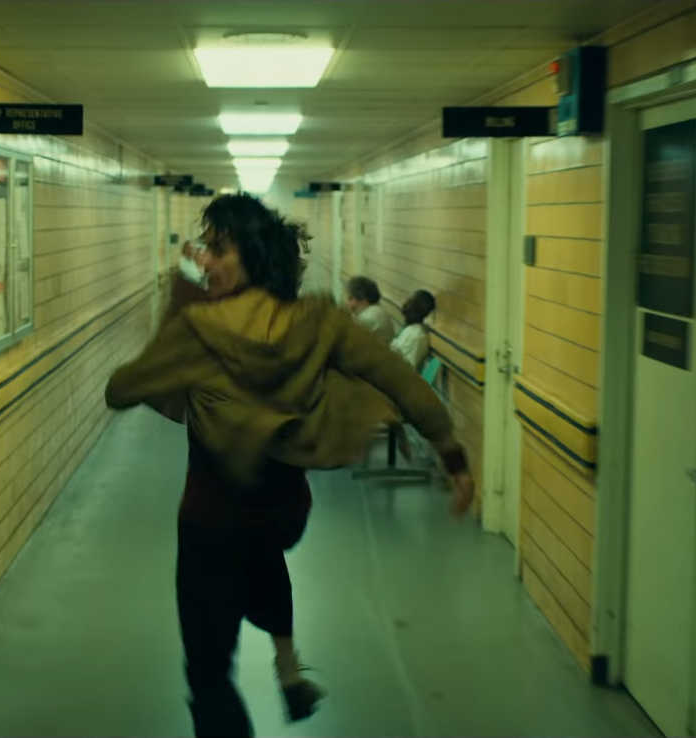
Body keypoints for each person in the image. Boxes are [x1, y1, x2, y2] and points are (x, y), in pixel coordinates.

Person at [104, 194, 476, 738]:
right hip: (280, 511)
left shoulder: (199, 327)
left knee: (207, 672)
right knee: (262, 562)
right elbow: (399, 380)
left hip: (210, 519)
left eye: (218, 250)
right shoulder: (321, 322)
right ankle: (288, 667)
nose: (207, 262)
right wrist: (452, 455)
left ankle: (254, 700)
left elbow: (121, 389)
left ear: (251, 257)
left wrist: (178, 326)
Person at [345, 275, 397, 344]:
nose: (347, 303)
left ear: (363, 300)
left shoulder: (367, 318)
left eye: (350, 299)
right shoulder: (377, 310)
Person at [391, 289, 436, 369]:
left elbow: (406, 370)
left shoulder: (417, 336)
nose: (404, 304)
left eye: (410, 303)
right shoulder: (409, 329)